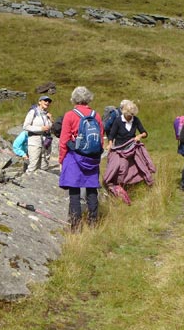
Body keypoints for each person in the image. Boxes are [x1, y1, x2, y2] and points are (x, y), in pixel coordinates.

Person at [58, 86, 104, 231]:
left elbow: (64, 140)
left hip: (74, 156)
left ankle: (75, 226)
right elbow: (100, 139)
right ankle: (93, 223)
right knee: (91, 191)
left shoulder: (70, 115)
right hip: (92, 158)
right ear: (88, 98)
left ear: (74, 98)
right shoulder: (96, 115)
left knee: (74, 192)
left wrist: (61, 160)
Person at [103, 100, 154, 203]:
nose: (130, 117)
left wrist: (139, 136)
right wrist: (110, 144)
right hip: (120, 149)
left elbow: (144, 132)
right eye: (129, 115)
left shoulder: (136, 120)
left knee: (139, 166)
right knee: (122, 168)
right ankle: (119, 187)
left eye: (132, 115)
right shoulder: (118, 121)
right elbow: (111, 135)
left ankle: (134, 184)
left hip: (132, 148)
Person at [23, 95, 53, 173]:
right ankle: (28, 182)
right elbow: (26, 126)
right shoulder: (33, 112)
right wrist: (40, 129)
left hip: (46, 142)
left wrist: (51, 120)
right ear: (39, 102)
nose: (47, 102)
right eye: (45, 100)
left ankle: (41, 184)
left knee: (44, 165)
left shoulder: (47, 114)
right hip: (34, 141)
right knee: (33, 165)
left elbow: (50, 128)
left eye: (49, 101)